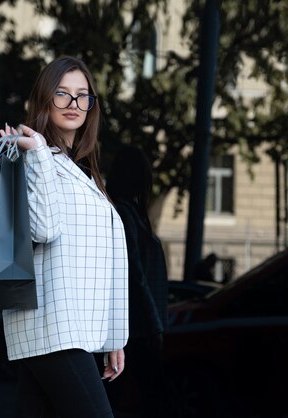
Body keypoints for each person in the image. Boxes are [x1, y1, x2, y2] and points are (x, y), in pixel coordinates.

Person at [0, 56, 128, 418]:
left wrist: (115, 337)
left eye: (82, 95)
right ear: (44, 99)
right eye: (62, 94)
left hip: (67, 330)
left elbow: (107, 257)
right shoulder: (31, 158)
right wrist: (38, 152)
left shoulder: (80, 171)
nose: (73, 104)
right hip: (53, 326)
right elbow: (43, 229)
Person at [105, 145, 170, 418]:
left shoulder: (128, 213)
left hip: (134, 327)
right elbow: (135, 276)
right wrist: (154, 325)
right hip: (135, 328)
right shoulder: (124, 214)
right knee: (152, 399)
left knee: (130, 398)